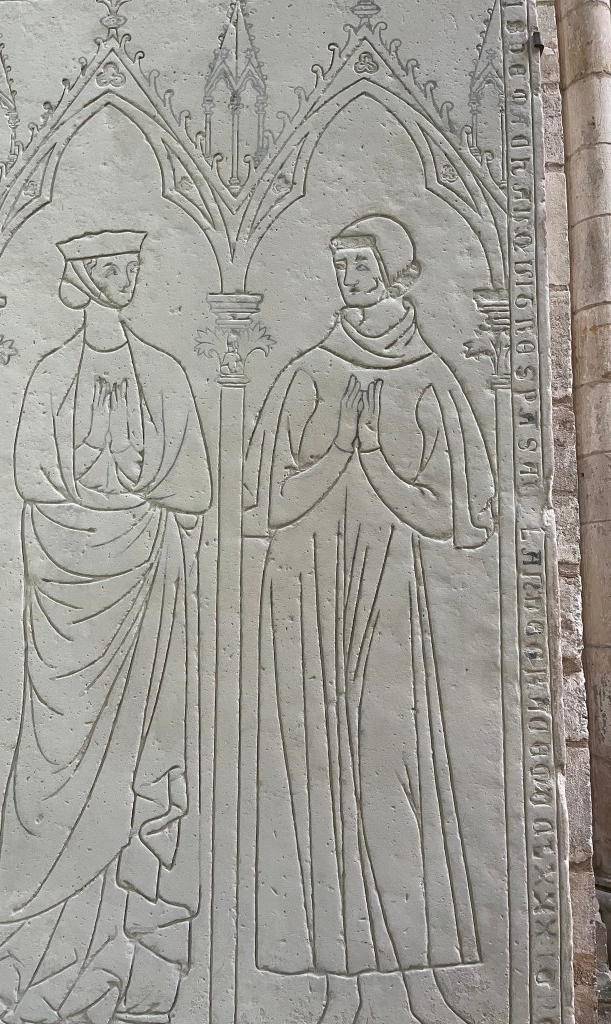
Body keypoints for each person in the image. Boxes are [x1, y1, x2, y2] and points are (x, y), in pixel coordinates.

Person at [245, 216, 495, 1024]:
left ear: (394, 269)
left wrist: (377, 463)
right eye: (340, 262)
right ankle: (332, 980)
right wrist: (334, 458)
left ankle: (418, 976)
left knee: (394, 770)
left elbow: (458, 517)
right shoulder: (309, 371)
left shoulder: (428, 378)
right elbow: (265, 502)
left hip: (388, 589)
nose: (347, 274)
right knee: (316, 773)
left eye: (360, 262)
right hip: (307, 589)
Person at [0, 231, 212, 1024]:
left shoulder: (164, 372)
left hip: (143, 593)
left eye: (129, 266)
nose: (123, 277)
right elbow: (32, 476)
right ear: (79, 278)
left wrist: (134, 503)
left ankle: (117, 964)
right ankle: (28, 959)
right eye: (108, 267)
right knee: (51, 773)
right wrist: (96, 509)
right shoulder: (49, 373)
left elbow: (194, 487)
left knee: (135, 764)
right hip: (65, 603)